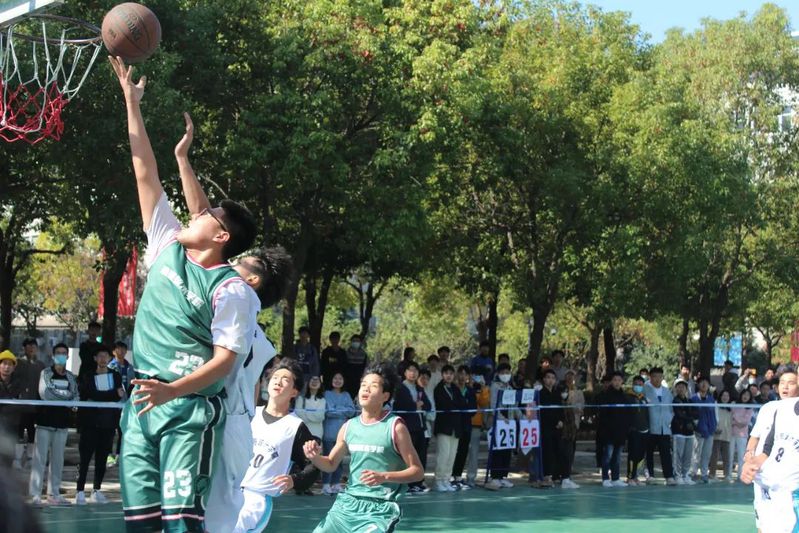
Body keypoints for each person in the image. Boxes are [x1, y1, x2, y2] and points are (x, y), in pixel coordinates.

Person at [109, 56, 258, 533]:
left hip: (187, 408)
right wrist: (132, 104)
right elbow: (144, 172)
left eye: (208, 215)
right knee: (140, 525)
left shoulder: (230, 289)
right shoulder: (165, 245)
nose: (197, 212)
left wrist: (173, 390)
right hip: (142, 404)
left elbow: (225, 362)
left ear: (221, 237)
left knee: (180, 523)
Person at [172, 117, 295, 532]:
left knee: (218, 520)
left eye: (241, 261)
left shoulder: (238, 299)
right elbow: (204, 220)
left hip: (228, 425)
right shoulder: (234, 301)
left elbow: (206, 223)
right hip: (211, 416)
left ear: (253, 279)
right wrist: (183, 160)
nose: (231, 262)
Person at [304, 364, 424, 533]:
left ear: (385, 396)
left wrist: (384, 476)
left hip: (380, 508)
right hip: (347, 505)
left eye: (373, 386)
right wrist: (314, 457)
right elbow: (330, 464)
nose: (366, 389)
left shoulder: (395, 427)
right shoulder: (348, 426)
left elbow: (417, 472)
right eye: (363, 385)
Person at [233, 360, 319, 532]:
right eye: (275, 377)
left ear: (294, 391)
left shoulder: (295, 427)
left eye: (285, 379)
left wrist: (294, 480)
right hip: (229, 488)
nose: (278, 381)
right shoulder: (249, 413)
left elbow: (314, 467)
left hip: (256, 498)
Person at [743, 369, 798, 532]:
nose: (785, 387)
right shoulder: (772, 409)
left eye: (791, 383)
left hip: (790, 488)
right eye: (782, 383)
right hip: (766, 479)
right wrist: (750, 460)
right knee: (764, 526)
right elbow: (764, 444)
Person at [75, 345, 124, 505]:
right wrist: (111, 394)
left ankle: (96, 490)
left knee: (102, 459)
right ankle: (80, 491)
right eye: (100, 356)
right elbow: (91, 393)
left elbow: (119, 395)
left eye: (106, 356)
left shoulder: (115, 376)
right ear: (95, 359)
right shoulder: (88, 376)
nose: (103, 359)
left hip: (108, 423)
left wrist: (109, 396)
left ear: (109, 358)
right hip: (90, 423)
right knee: (85, 458)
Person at [29, 343, 78, 505]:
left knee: (58, 461)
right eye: (58, 353)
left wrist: (66, 398)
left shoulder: (71, 377)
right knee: (39, 460)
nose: (61, 355)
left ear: (68, 356)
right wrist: (66, 397)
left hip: (62, 424)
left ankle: (54, 493)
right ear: (53, 355)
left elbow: (75, 395)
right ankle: (35, 494)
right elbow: (46, 394)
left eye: (64, 353)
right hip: (44, 423)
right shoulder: (46, 373)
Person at [393, 361, 432, 494]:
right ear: (405, 373)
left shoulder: (419, 388)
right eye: (410, 370)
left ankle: (418, 482)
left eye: (415, 371)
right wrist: (414, 405)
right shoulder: (400, 388)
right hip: (407, 427)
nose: (413, 373)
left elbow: (428, 405)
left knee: (421, 456)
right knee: (408, 457)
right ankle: (408, 484)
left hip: (421, 427)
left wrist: (420, 404)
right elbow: (399, 406)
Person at [321, 372, 356, 495]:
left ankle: (336, 483)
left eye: (340, 378)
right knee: (328, 458)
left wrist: (336, 408)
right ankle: (326, 484)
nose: (337, 380)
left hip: (342, 433)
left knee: (339, 460)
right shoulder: (327, 394)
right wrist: (343, 410)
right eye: (335, 378)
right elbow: (328, 412)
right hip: (328, 432)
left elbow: (352, 411)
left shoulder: (346, 395)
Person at [433, 364, 465, 492]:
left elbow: (462, 403)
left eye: (451, 374)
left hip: (455, 428)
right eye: (446, 373)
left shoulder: (455, 389)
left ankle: (446, 480)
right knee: (443, 455)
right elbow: (443, 404)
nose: (449, 376)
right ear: (442, 375)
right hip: (444, 427)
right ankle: (438, 481)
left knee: (452, 456)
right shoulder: (438, 389)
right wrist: (454, 406)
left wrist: (455, 406)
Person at [485, 363, 516, 490]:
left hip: (510, 423)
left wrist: (522, 417)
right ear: (498, 374)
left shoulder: (510, 388)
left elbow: (514, 406)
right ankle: (495, 477)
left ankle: (503, 476)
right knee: (497, 450)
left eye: (507, 372)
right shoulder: (495, 386)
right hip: (498, 422)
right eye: (502, 372)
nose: (505, 375)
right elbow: (493, 406)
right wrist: (503, 419)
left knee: (507, 450)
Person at [14, 338, 43, 469]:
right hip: (20, 404)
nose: (31, 348)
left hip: (35, 404)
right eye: (29, 346)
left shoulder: (41, 365)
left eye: (33, 346)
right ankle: (17, 458)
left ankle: (30, 458)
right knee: (19, 431)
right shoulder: (18, 363)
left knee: (32, 432)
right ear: (24, 348)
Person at [644, 366, 676, 485]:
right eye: (654, 376)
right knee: (649, 453)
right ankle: (650, 475)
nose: (657, 379)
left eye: (659, 376)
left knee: (666, 453)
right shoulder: (645, 390)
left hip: (665, 428)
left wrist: (668, 420)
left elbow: (671, 409)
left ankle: (669, 476)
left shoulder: (667, 392)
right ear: (650, 377)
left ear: (662, 377)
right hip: (651, 427)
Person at [598, 372, 630, 487]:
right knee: (608, 456)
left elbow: (627, 414)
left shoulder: (624, 397)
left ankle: (616, 478)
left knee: (617, 457)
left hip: (620, 432)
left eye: (619, 380)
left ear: (622, 382)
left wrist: (625, 429)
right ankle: (605, 478)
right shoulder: (606, 396)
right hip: (609, 432)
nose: (617, 382)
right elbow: (603, 415)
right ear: (611, 381)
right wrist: (606, 429)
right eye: (615, 380)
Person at [107, 340, 134, 468]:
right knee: (110, 431)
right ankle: (109, 456)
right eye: (118, 348)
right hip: (113, 403)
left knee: (123, 431)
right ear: (113, 351)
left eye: (123, 349)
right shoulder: (110, 366)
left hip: (126, 403)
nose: (121, 351)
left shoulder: (130, 367)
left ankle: (119, 455)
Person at [451, 365, 477, 489]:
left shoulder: (470, 391)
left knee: (463, 451)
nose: (462, 376)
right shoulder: (453, 389)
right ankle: (450, 476)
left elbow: (473, 409)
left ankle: (458, 476)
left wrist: (465, 408)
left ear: (468, 376)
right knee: (453, 451)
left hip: (466, 425)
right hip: (455, 425)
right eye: (460, 373)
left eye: (465, 374)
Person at [466, 369, 490, 488]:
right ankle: (455, 477)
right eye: (473, 376)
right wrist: (469, 387)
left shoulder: (482, 389)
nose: (475, 378)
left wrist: (483, 387)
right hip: (462, 423)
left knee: (474, 453)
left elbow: (484, 403)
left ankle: (471, 478)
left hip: (476, 424)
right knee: (459, 452)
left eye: (477, 376)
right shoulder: (462, 387)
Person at [671, 379, 698, 485]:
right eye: (678, 386)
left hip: (689, 432)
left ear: (686, 389)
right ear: (675, 389)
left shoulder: (690, 401)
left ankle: (685, 475)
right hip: (678, 431)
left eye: (683, 386)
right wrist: (689, 418)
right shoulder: (675, 401)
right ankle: (677, 475)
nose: (681, 388)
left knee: (688, 455)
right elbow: (679, 414)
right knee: (678, 455)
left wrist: (690, 419)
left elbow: (695, 413)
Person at [690, 377, 717, 483]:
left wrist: (714, 426)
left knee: (706, 454)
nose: (704, 385)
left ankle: (704, 474)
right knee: (696, 454)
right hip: (698, 431)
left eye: (706, 383)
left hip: (710, 431)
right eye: (702, 382)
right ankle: (693, 473)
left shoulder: (711, 399)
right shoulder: (693, 399)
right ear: (698, 385)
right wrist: (696, 427)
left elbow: (715, 414)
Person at [0, 350, 22, 467]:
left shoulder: (18, 382)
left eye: (10, 364)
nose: (7, 367)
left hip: (11, 426)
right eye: (4, 363)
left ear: (14, 367)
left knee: (7, 461)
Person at [626, 375, 649, 486]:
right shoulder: (628, 397)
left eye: (640, 384)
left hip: (645, 431)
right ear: (632, 384)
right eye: (636, 384)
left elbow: (647, 414)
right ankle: (630, 477)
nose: (638, 386)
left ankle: (636, 476)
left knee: (641, 455)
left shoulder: (644, 399)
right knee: (633, 454)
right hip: (633, 431)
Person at [709, 388, 733, 482]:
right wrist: (715, 429)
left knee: (726, 456)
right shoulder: (716, 406)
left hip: (727, 435)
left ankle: (727, 475)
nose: (725, 397)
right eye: (723, 395)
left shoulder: (731, 408)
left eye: (727, 396)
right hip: (717, 434)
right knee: (714, 456)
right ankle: (712, 475)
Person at [730, 388, 754, 481]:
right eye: (744, 394)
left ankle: (740, 475)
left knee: (741, 456)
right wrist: (738, 420)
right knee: (730, 455)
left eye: (748, 395)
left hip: (742, 435)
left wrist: (735, 418)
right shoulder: (734, 404)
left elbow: (745, 422)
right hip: (731, 433)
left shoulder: (750, 408)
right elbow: (730, 419)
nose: (745, 396)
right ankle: (728, 475)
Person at [343, 335, 368, 399]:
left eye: (357, 341)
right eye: (354, 341)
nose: (356, 342)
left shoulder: (364, 354)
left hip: (358, 380)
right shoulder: (345, 353)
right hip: (347, 380)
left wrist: (363, 378)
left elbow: (365, 367)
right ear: (351, 342)